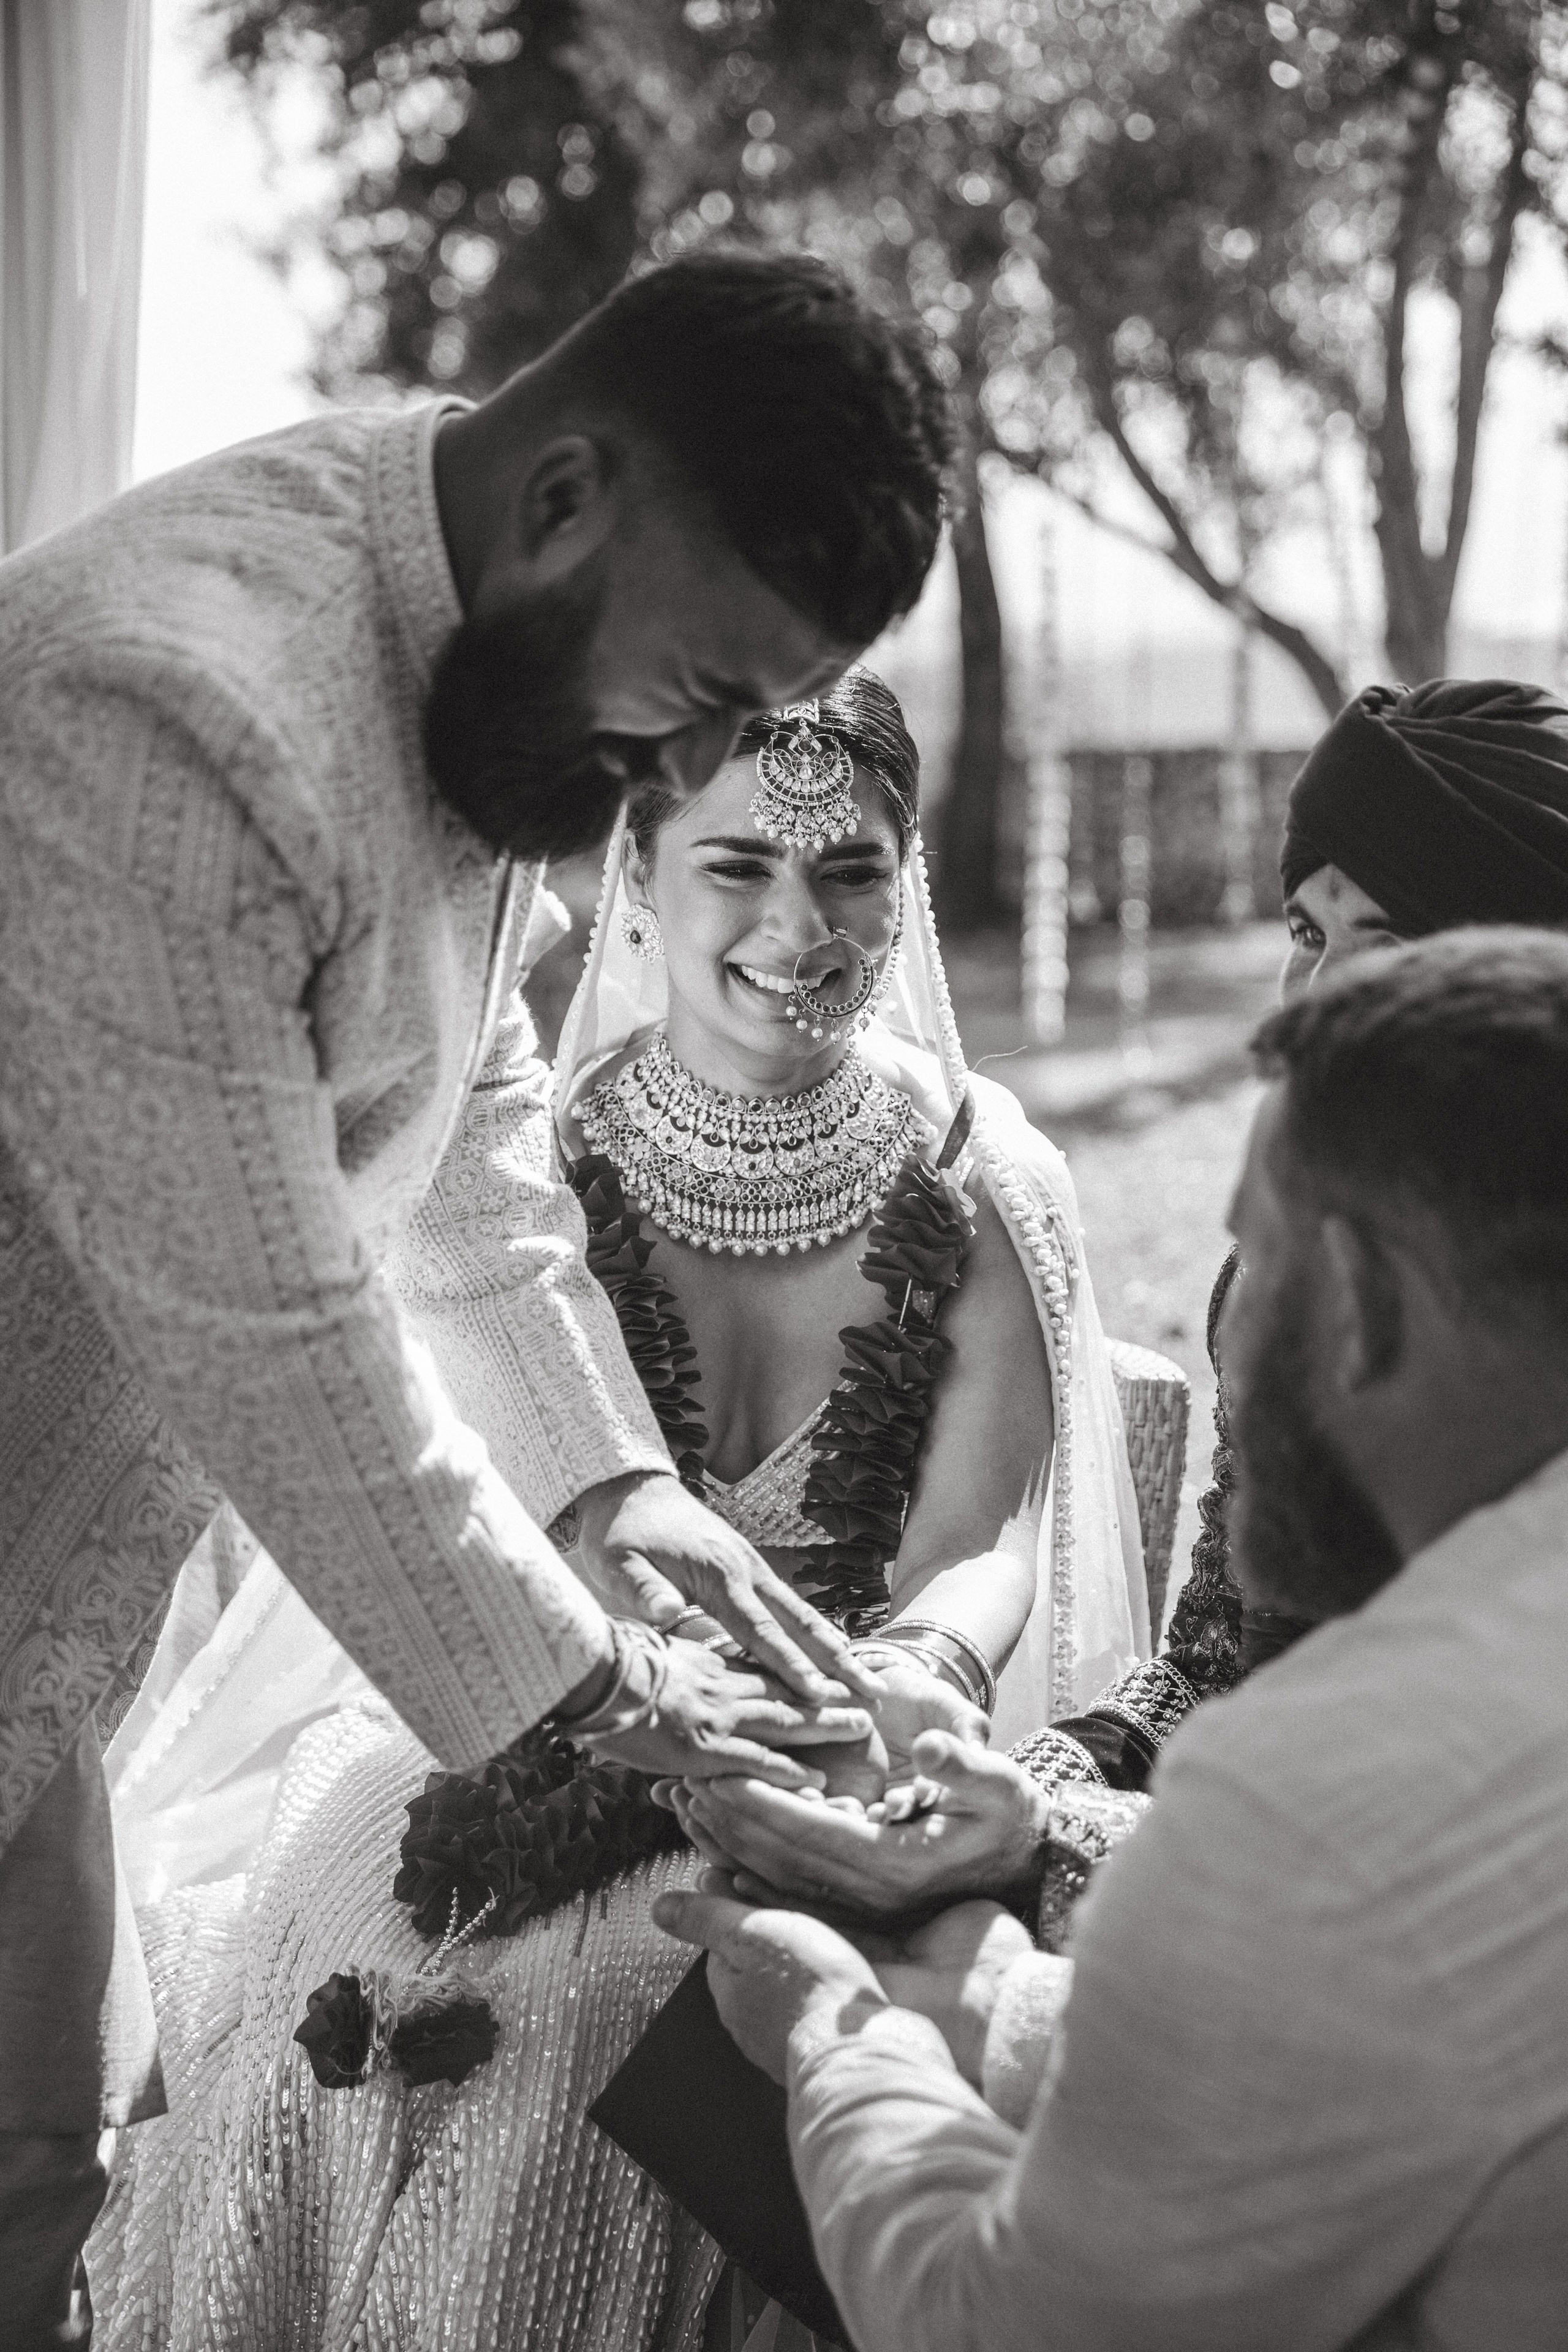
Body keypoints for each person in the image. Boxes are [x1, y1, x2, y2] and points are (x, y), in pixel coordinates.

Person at [0, 248, 952, 2342]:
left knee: (36, 2168)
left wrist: (626, 1498)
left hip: (36, 1643)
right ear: (566, 499)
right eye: (700, 701)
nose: (685, 765)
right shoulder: (176, 702)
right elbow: (274, 1331)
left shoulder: (476, 656)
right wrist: (609, 1699)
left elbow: (470, 1150)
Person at [84, 669, 1148, 2351]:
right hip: (538, 1706)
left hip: (841, 1737)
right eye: (739, 866)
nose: (801, 928)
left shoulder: (977, 1171)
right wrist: (616, 1693)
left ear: (910, 885)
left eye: (852, 873)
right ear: (634, 877)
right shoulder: (525, 1174)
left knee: (635, 1993)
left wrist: (913, 1684)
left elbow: (977, 1541)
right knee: (381, 1955)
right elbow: (475, 1516)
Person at [661, 925, 1568, 2351]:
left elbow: (1002, 2320)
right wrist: (1016, 1933)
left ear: (1365, 1306)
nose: (1223, 1333)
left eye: (1251, 1260)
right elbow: (1394, 2022)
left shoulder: (1314, 1790)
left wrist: (842, 2035)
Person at [1023, 675, 1568, 1800]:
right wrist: (1040, 1786)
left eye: (1389, 937)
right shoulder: (1286, 1265)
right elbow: (1210, 1669)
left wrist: (1069, 1848)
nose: (1313, 999)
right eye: (1307, 930)